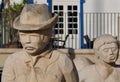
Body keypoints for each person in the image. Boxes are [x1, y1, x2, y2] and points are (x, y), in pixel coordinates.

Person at [2, 4, 78, 82]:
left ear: (48, 34)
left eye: (34, 36)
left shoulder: (62, 61)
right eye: (23, 35)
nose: (27, 41)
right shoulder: (12, 61)